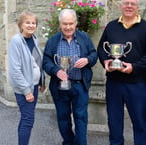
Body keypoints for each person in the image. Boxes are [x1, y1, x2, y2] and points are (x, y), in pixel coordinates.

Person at [97, 0, 146, 144]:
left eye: (132, 4)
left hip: (136, 84)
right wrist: (105, 61)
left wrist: (134, 67)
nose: (129, 6)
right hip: (113, 83)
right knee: (114, 122)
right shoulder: (111, 26)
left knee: (140, 123)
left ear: (138, 7)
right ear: (121, 6)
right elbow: (101, 48)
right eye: (126, 3)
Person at [42, 9, 97, 145]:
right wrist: (56, 71)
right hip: (60, 87)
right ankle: (68, 142)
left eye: (71, 24)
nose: (68, 27)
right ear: (60, 24)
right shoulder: (53, 41)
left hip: (80, 85)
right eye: (65, 24)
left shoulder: (84, 38)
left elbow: (94, 54)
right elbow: (46, 61)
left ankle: (80, 143)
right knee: (63, 118)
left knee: (81, 117)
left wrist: (87, 60)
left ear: (76, 23)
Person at [8, 11, 46, 145]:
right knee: (28, 119)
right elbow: (15, 70)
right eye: (27, 22)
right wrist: (26, 90)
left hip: (34, 86)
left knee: (26, 118)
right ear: (21, 25)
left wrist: (42, 81)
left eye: (33, 23)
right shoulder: (16, 41)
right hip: (25, 89)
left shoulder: (34, 39)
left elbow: (37, 63)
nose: (31, 25)